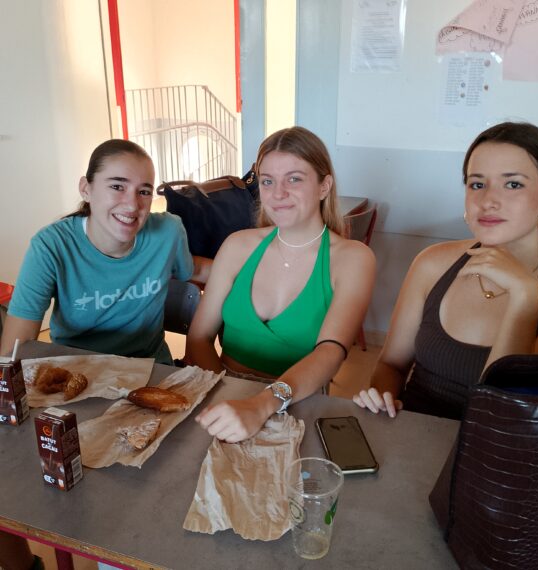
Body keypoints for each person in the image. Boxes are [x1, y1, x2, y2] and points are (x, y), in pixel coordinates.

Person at [354, 122, 538, 420]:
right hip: (411, 440)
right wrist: (383, 402)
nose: (488, 201)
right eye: (477, 184)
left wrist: (526, 295)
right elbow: (391, 364)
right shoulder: (432, 263)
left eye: (513, 184)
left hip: (496, 446)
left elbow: (503, 413)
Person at [186, 126, 376, 442]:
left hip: (301, 402)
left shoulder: (353, 258)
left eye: (294, 179)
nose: (278, 193)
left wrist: (261, 405)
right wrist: (229, 398)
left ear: (324, 186)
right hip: (226, 395)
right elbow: (199, 337)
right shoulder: (237, 245)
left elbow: (331, 352)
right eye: (267, 181)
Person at [0, 139, 208, 364]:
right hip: (76, 373)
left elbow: (194, 269)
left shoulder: (168, 231)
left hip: (153, 370)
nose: (132, 205)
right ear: (86, 189)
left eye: (144, 191)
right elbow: (13, 352)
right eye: (117, 187)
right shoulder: (51, 246)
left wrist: (236, 266)